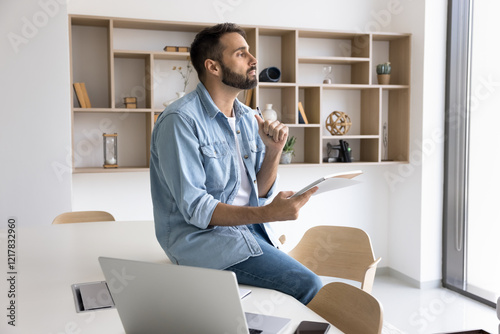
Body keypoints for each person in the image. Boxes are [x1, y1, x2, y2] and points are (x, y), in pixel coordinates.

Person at [150, 23, 322, 305]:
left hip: (248, 231)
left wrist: (274, 151)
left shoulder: (247, 117)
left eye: (250, 52)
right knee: (309, 284)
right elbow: (196, 209)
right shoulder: (180, 121)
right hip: (202, 243)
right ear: (213, 67)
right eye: (241, 54)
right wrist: (269, 214)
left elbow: (257, 190)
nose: (254, 61)